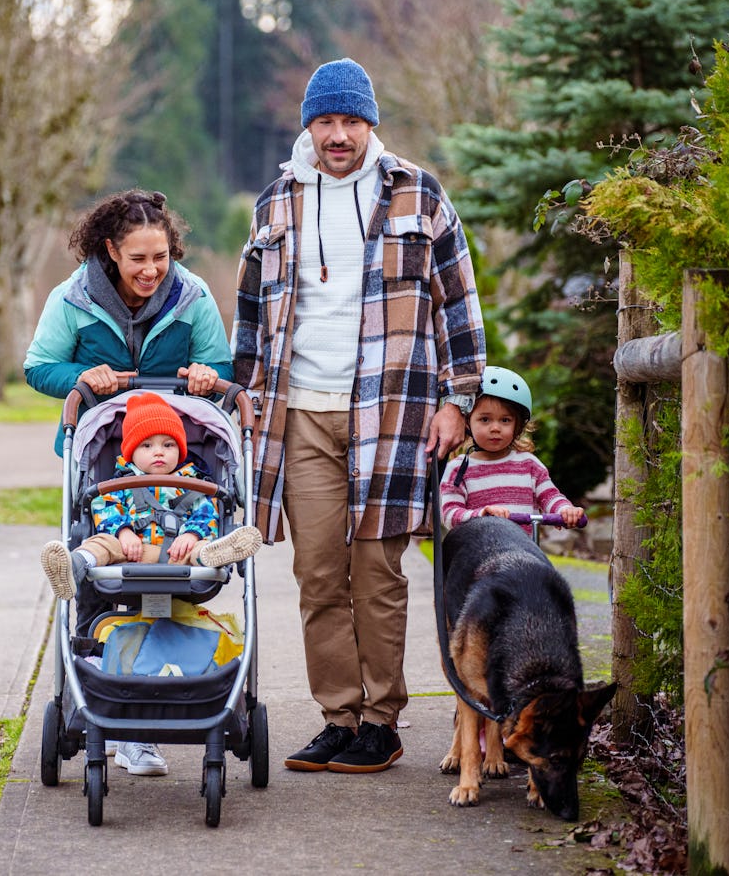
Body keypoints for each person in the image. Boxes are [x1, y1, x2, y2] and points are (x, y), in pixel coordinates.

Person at [232, 58, 486, 774]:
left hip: (392, 415)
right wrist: (245, 392)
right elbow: (248, 314)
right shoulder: (276, 203)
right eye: (325, 121)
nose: (337, 135)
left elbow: (460, 305)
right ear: (308, 124)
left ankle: (383, 721)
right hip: (301, 415)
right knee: (318, 574)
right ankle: (338, 718)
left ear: (370, 123)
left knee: (377, 572)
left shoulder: (419, 195)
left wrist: (457, 399)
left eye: (350, 121)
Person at [25, 189, 234, 776]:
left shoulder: (191, 296)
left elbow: (221, 367)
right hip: (102, 457)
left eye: (161, 257)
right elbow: (38, 365)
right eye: (137, 258)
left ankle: (159, 693)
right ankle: (105, 702)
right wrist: (81, 374)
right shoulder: (72, 298)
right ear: (111, 250)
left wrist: (203, 375)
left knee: (166, 571)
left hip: (177, 454)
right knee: (97, 575)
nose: (151, 270)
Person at [40, 391, 262, 596]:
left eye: (168, 445)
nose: (159, 452)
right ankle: (74, 565)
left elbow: (206, 512)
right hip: (131, 551)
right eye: (146, 446)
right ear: (131, 453)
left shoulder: (193, 482)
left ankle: (215, 555)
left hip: (178, 552)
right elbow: (105, 506)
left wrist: (191, 534)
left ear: (180, 450)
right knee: (101, 543)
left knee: (200, 547)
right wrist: (123, 532)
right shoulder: (120, 482)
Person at [439, 366, 584, 535]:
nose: (495, 428)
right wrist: (481, 514)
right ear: (467, 422)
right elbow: (449, 514)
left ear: (518, 426)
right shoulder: (458, 469)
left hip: (522, 553)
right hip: (477, 553)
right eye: (485, 419)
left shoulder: (529, 464)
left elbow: (549, 496)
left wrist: (565, 510)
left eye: (505, 420)